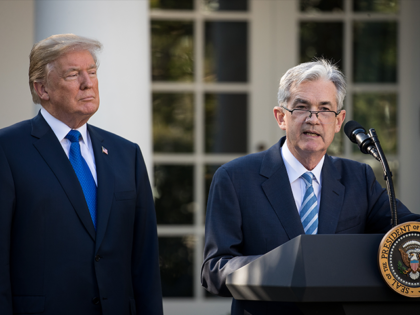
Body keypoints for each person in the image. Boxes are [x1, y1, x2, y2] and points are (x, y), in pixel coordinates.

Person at [201, 59, 420, 315]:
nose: (313, 119)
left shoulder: (358, 177)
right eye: (302, 107)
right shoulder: (234, 178)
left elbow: (408, 232)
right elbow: (214, 270)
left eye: (325, 109)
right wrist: (281, 267)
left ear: (339, 121)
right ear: (281, 117)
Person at [0, 34, 163, 315]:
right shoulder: (7, 149)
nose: (88, 83)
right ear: (42, 89)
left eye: (92, 72)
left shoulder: (127, 154)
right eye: (73, 74)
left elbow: (144, 260)